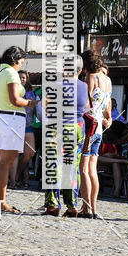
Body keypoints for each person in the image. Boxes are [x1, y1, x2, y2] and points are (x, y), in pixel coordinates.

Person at [0, 46, 36, 214]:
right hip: (12, 117)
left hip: (0, 116)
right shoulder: (11, 74)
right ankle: (2, 203)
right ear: (16, 60)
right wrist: (32, 103)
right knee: (5, 162)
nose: (20, 66)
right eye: (21, 62)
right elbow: (15, 99)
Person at [42, 54, 89, 217]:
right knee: (72, 166)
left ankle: (53, 204)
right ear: (81, 70)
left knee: (53, 164)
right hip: (77, 126)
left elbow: (45, 105)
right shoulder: (84, 86)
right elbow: (87, 107)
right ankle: (72, 205)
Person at [79, 50, 112, 218]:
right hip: (99, 127)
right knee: (93, 169)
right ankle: (94, 207)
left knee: (83, 168)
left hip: (88, 127)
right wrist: (109, 118)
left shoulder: (91, 78)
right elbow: (107, 106)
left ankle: (86, 208)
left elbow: (85, 104)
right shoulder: (107, 79)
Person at [13, 71, 37, 187]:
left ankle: (18, 172)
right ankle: (15, 179)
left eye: (23, 78)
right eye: (19, 77)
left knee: (29, 153)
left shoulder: (32, 93)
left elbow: (37, 110)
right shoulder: (13, 91)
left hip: (28, 126)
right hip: (16, 125)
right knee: (16, 153)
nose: (22, 79)